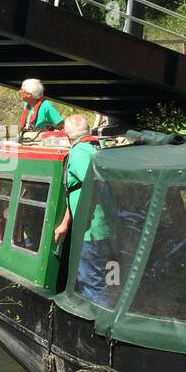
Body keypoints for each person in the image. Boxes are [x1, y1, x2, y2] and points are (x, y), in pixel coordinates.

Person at [52, 113, 113, 303]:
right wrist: (65, 223)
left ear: (66, 134)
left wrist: (81, 223)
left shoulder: (78, 152)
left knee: (92, 282)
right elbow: (76, 189)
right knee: (107, 280)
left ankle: (96, 324)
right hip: (108, 227)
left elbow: (91, 184)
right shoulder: (99, 147)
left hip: (91, 231)